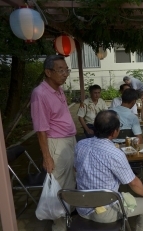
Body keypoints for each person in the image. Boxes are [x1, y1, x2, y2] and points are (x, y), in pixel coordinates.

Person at [74, 110, 143, 231]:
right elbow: (133, 182)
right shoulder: (115, 153)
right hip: (103, 212)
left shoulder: (80, 144)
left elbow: (75, 168)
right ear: (114, 132)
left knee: (124, 188)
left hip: (82, 207)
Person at [30, 55, 76, 231]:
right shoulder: (40, 94)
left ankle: (68, 219)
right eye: (61, 70)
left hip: (68, 141)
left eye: (66, 70)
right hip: (56, 144)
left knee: (70, 181)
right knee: (59, 186)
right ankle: (59, 225)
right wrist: (46, 157)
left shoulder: (58, 89)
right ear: (48, 72)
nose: (65, 74)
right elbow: (41, 129)